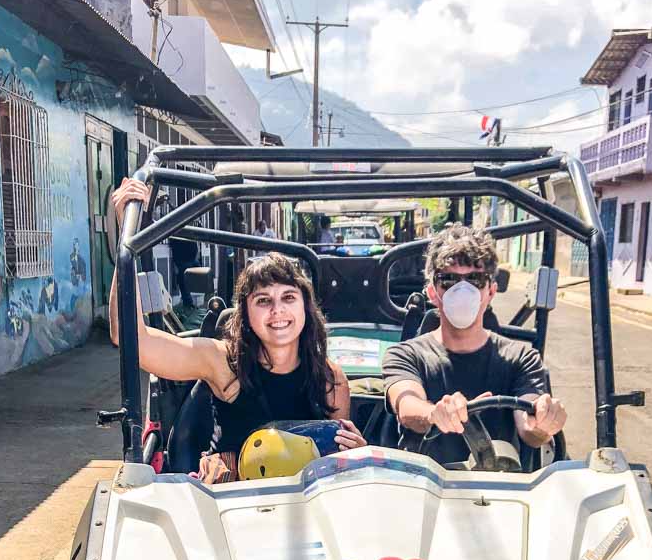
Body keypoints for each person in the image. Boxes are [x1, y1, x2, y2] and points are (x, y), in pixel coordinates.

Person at [109, 178, 365, 482]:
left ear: (306, 309)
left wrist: (355, 453)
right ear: (245, 313)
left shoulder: (330, 379)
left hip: (303, 505)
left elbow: (337, 465)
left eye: (288, 298)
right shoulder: (222, 362)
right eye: (263, 300)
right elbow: (131, 339)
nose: (277, 311)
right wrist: (129, 239)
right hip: (231, 504)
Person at [382, 224, 566, 466]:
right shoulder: (405, 354)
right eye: (448, 279)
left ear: (491, 290)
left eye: (475, 279)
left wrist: (543, 421)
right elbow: (407, 406)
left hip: (501, 488)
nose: (462, 289)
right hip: (424, 487)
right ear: (432, 292)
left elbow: (529, 426)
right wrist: (434, 413)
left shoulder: (521, 357)